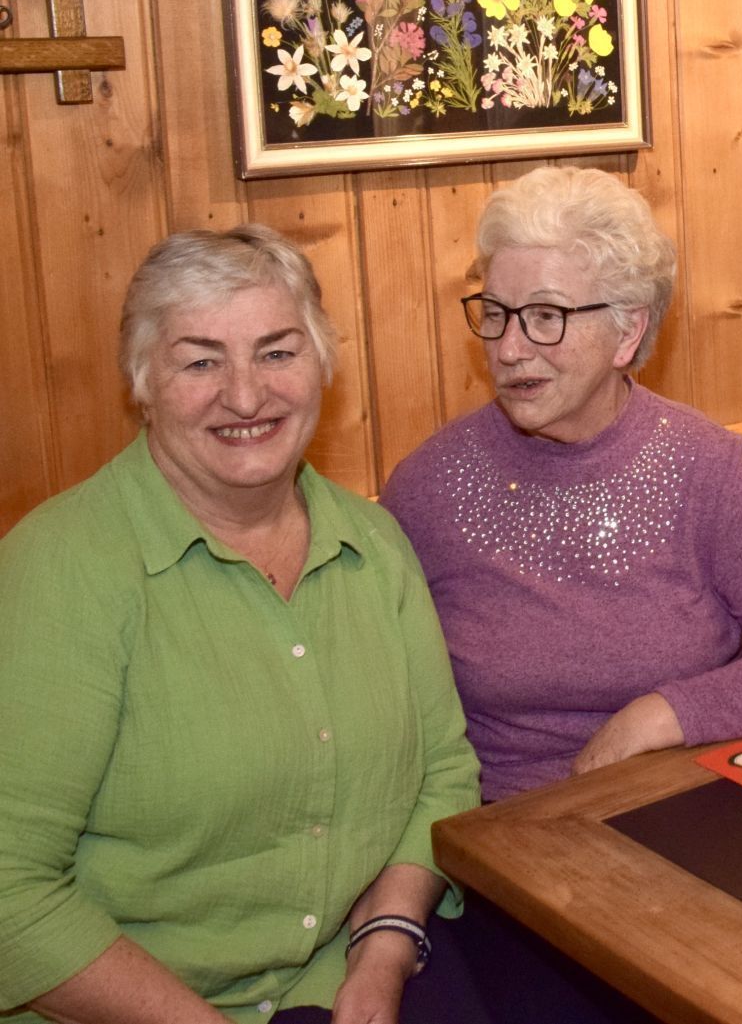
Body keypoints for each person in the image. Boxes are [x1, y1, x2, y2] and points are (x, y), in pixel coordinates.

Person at [0, 225, 481, 1024]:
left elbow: (443, 774)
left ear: (323, 363)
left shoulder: (376, 542)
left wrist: (385, 951)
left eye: (277, 351)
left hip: (341, 976)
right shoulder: (60, 567)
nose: (247, 394)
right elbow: (9, 887)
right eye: (200, 360)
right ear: (142, 382)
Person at [382, 165, 742, 802]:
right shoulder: (430, 487)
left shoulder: (701, 466)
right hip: (504, 828)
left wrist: (666, 714)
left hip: (680, 810)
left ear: (627, 331)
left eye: (546, 316)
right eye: (497, 314)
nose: (508, 348)